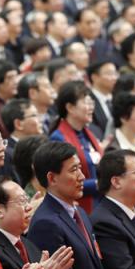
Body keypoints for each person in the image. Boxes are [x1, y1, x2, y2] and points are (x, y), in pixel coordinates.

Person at [49, 81, 102, 213]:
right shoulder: (58, 138)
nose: (91, 108)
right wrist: (99, 184)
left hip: (99, 201)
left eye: (91, 103)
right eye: (86, 103)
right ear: (70, 107)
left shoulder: (89, 133)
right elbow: (64, 181)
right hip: (80, 206)